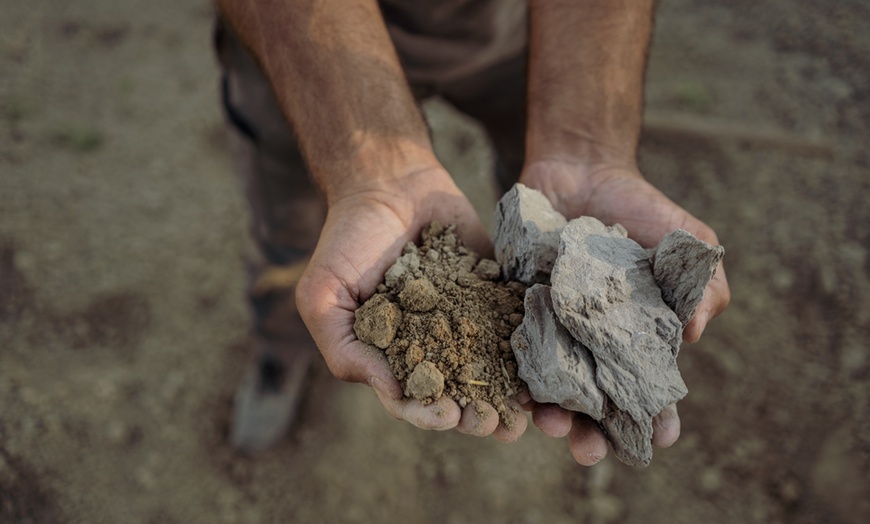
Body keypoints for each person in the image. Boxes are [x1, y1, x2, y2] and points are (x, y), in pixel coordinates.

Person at [214, 0, 731, 466]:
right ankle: (281, 352)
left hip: (519, 25)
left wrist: (585, 145)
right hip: (299, 33)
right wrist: (371, 172)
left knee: (544, 194)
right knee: (296, 237)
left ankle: (538, 235)